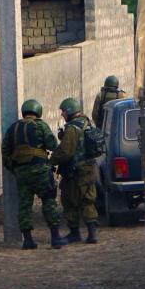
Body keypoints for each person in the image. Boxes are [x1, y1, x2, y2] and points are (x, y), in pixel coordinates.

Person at [2, 99, 70, 249]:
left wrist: (14, 168)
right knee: (48, 201)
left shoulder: (13, 128)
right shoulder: (40, 126)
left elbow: (5, 151)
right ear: (38, 111)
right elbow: (53, 145)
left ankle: (28, 240)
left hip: (21, 173)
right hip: (40, 171)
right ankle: (55, 238)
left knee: (25, 205)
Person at [51, 97, 99, 244]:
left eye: (63, 111)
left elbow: (65, 152)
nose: (62, 114)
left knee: (70, 201)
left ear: (70, 111)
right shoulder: (88, 123)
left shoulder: (72, 129)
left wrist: (52, 161)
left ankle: (74, 233)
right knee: (88, 200)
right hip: (90, 169)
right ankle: (92, 233)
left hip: (75, 172)